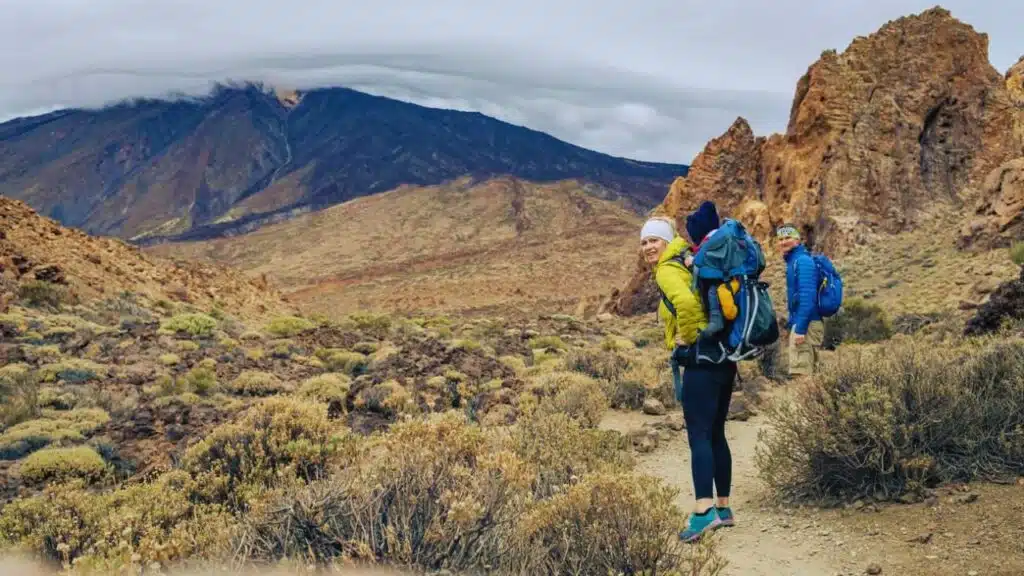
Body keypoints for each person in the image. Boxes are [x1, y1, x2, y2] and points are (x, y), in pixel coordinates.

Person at [641, 211, 737, 544]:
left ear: (666, 241)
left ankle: (703, 512)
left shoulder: (668, 270)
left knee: (699, 435)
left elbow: (684, 302)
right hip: (724, 359)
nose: (648, 247)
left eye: (653, 240)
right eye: (644, 242)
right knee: (716, 432)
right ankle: (723, 507)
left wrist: (690, 338)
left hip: (701, 361)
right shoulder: (688, 261)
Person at [776, 224, 825, 376]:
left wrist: (800, 329)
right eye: (781, 239)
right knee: (809, 375)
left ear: (797, 240)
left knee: (801, 375)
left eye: (788, 237)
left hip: (807, 324)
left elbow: (807, 298)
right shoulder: (795, 261)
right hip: (804, 323)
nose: (784, 242)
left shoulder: (802, 261)